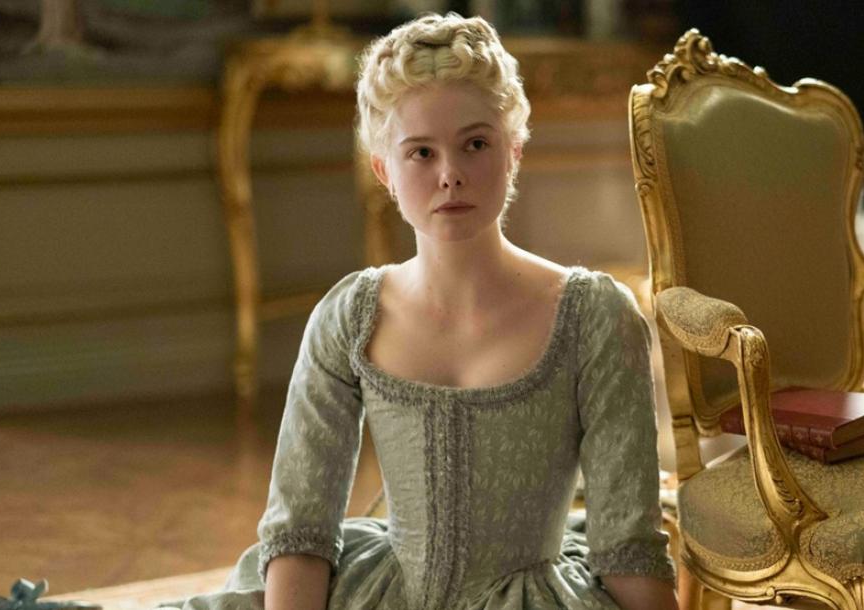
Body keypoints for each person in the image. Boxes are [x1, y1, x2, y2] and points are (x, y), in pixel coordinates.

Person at [162, 12, 676, 610]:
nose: (450, 175)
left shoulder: (596, 318)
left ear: (513, 152)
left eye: (475, 144)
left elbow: (628, 549)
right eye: (421, 153)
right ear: (383, 170)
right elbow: (300, 532)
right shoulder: (350, 319)